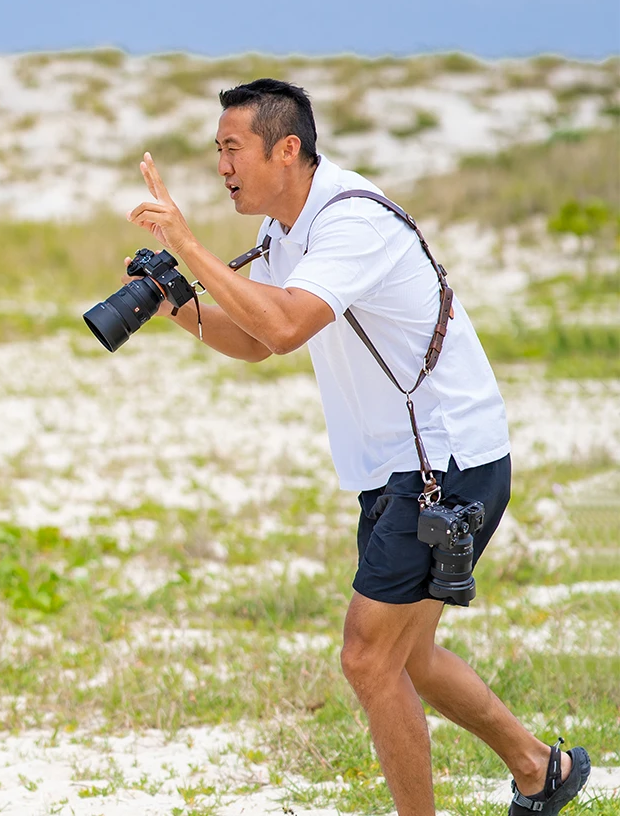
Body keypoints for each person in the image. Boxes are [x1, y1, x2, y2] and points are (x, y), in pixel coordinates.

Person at [123, 78, 591, 816]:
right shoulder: (285, 228)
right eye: (217, 150)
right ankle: (542, 768)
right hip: (403, 463)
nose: (222, 167)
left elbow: (283, 326)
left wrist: (186, 242)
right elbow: (253, 337)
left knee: (368, 658)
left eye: (232, 148)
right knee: (412, 659)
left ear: (287, 148)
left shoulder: (350, 222)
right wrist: (179, 306)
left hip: (444, 461)